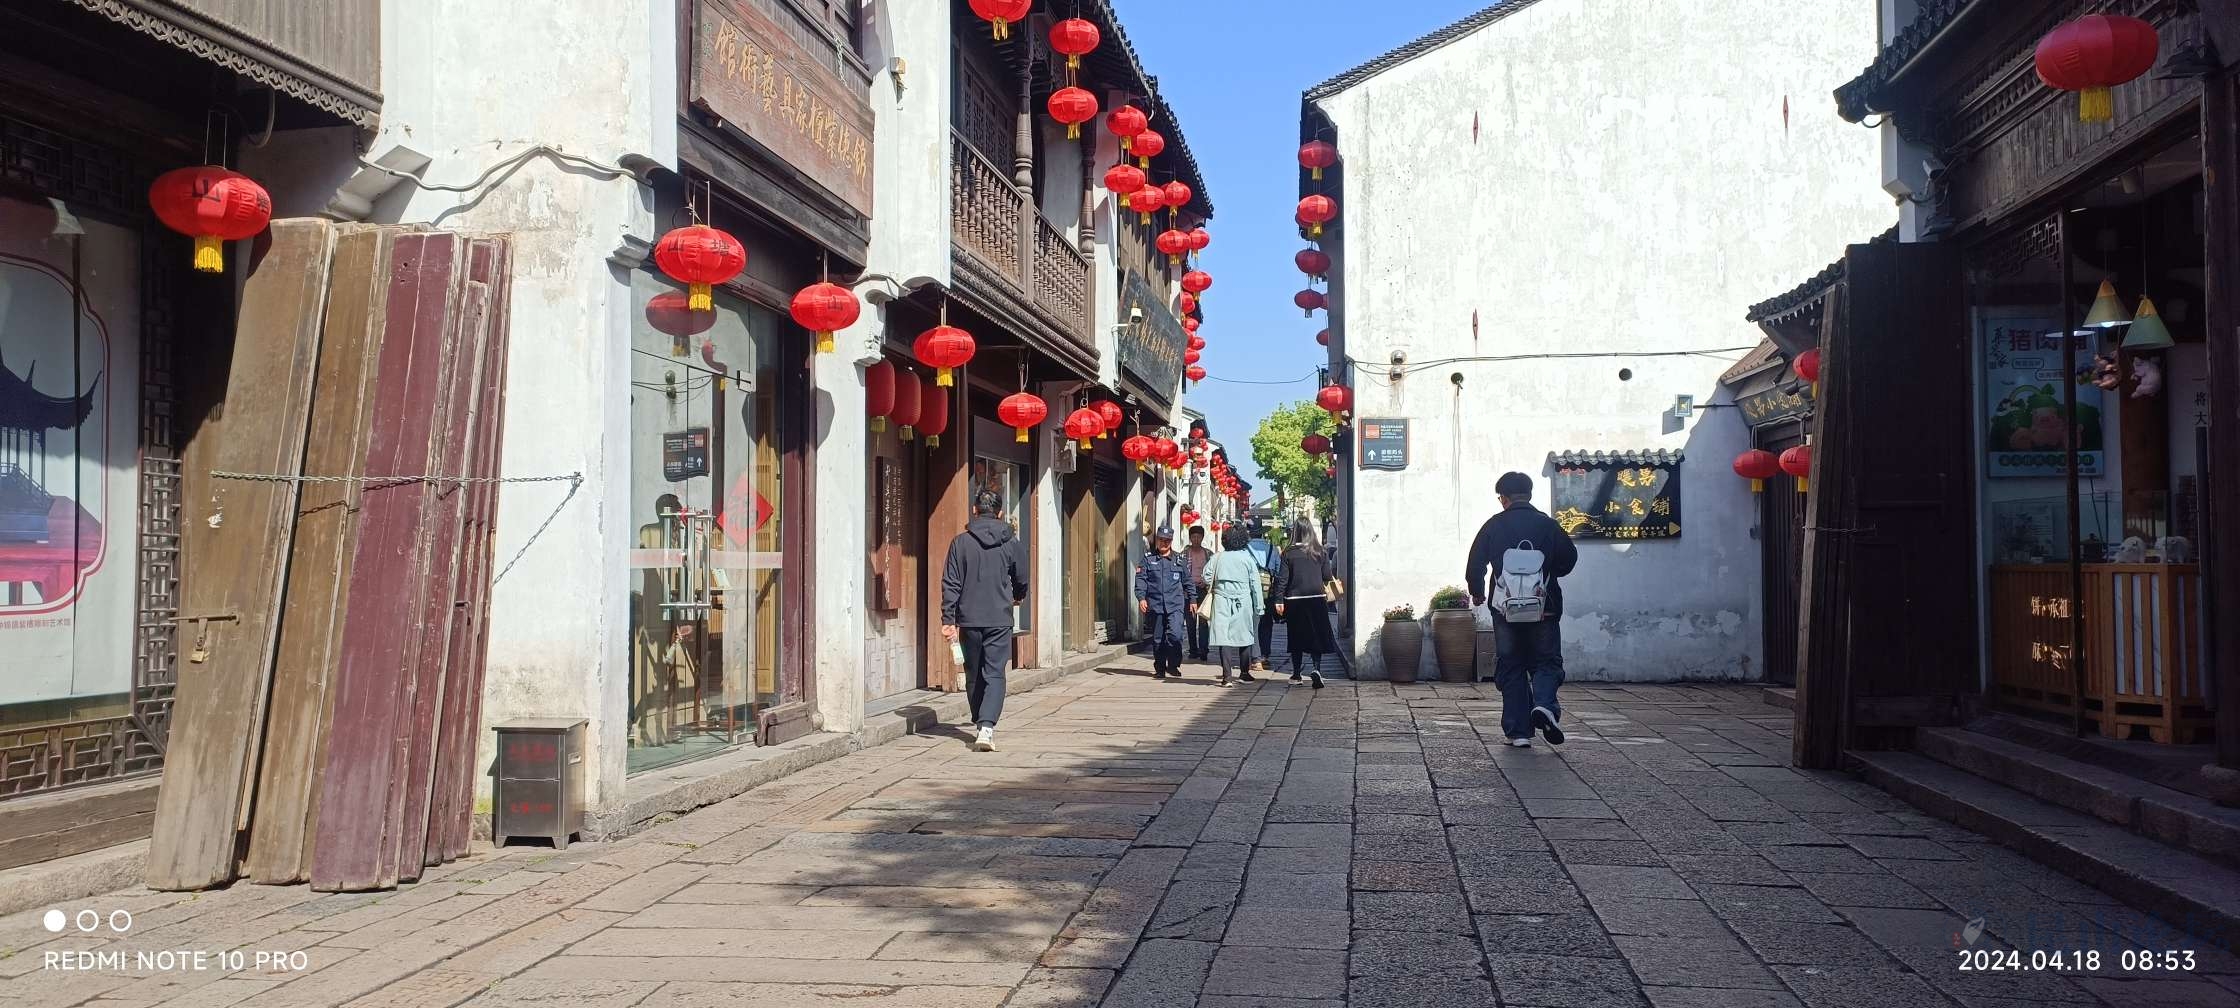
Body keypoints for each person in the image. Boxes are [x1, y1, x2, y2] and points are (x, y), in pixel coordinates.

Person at [1465, 471, 1580, 748]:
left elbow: (1475, 562)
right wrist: (1548, 572)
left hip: (1506, 610)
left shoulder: (1494, 525)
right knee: (1547, 662)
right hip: (1544, 607)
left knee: (1511, 664)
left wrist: (1477, 591)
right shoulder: (1548, 525)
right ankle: (1544, 705)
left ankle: (1518, 732)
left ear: (1503, 498)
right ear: (1529, 495)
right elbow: (1568, 559)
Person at [941, 491, 1029, 752]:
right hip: (999, 618)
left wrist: (948, 618)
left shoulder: (960, 543)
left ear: (974, 510)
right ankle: (986, 727)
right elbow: (1022, 577)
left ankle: (981, 721)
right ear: (1000, 513)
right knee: (994, 672)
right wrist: (1017, 595)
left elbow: (951, 583)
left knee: (973, 672)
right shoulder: (1011, 542)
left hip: (969, 619)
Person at [1272, 517, 1347, 688]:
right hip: (1317, 599)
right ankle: (1316, 669)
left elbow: (1282, 580)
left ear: (1295, 531)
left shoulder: (1288, 553)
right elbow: (1327, 576)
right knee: (1316, 635)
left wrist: (1278, 600)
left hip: (1294, 601)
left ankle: (1296, 674)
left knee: (1296, 637)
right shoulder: (1319, 551)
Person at [1200, 526, 1265, 686]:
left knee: (1224, 637)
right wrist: (1259, 606)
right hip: (1243, 601)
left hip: (1221, 600)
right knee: (1245, 636)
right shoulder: (1247, 559)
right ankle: (1244, 673)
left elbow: (1206, 576)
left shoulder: (1217, 557)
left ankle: (1227, 677)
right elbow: (1255, 585)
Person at [1136, 525, 1196, 679]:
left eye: (1167, 541)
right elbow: (1141, 579)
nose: (1164, 543)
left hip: (1175, 605)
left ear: (1171, 541)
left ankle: (1173, 665)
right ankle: (1160, 668)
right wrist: (1141, 598)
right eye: (1161, 540)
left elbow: (1188, 581)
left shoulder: (1179, 560)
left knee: (1175, 635)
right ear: (1157, 540)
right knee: (1158, 639)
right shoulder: (1148, 559)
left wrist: (1193, 599)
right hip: (1156, 605)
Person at [1245, 526, 1283, 673]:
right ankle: (1265, 655)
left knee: (1252, 623)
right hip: (1268, 592)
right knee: (1266, 624)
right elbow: (1279, 571)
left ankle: (1254, 657)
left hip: (1250, 592)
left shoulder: (1245, 549)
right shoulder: (1272, 549)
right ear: (1263, 535)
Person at [1183, 525, 1213, 662]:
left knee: (1203, 621)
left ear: (1202, 538)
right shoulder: (1184, 554)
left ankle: (1203, 649)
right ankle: (1193, 649)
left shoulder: (1208, 554)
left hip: (1203, 590)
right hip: (1188, 591)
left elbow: (1212, 571)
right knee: (1190, 622)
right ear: (1190, 538)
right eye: (1193, 537)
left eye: (1198, 537)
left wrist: (1206, 582)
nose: (1196, 539)